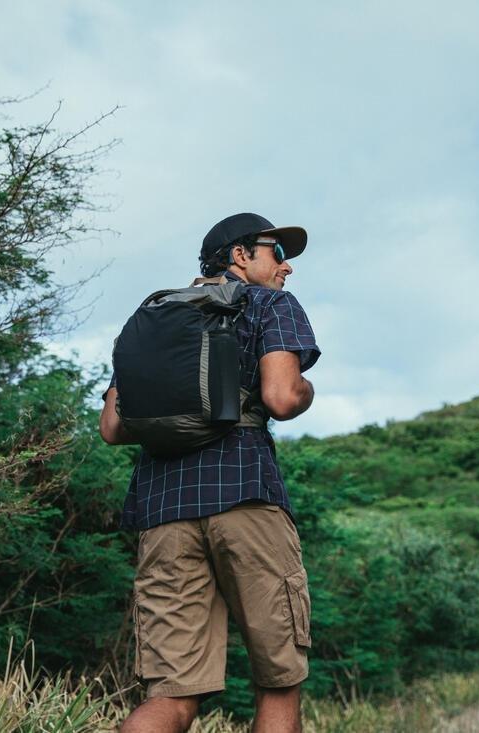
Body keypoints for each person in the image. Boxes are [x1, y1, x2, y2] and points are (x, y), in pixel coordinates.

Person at [100, 212, 320, 733]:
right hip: (244, 494)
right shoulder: (270, 304)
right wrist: (305, 389)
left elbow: (112, 426)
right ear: (240, 256)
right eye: (277, 252)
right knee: (278, 679)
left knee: (172, 692)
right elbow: (282, 398)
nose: (287, 268)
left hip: (162, 510)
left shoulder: (153, 317)